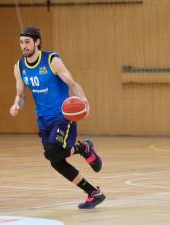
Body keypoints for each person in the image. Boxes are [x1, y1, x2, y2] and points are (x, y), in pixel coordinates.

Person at [10, 26, 105, 209]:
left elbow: (72, 82)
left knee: (52, 153)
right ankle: (94, 193)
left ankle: (83, 148)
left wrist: (84, 100)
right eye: (21, 42)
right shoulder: (19, 66)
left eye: (27, 42)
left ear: (37, 42)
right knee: (55, 162)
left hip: (63, 116)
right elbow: (21, 96)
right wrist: (16, 105)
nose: (24, 46)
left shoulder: (52, 60)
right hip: (43, 120)